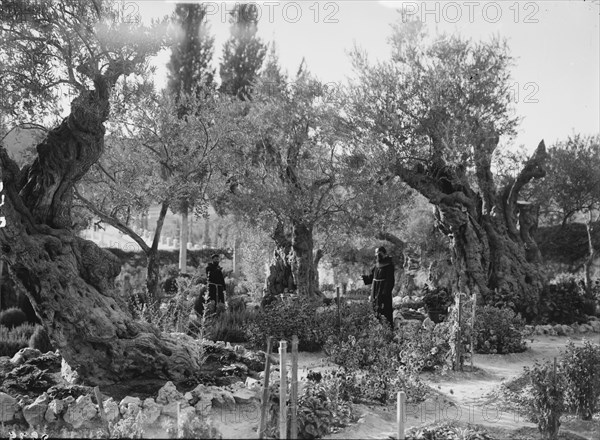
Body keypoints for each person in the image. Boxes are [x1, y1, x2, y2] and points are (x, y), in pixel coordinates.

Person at [362, 246, 395, 330]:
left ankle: (387, 329)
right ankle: (377, 329)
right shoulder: (377, 265)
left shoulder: (389, 265)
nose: (377, 255)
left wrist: (384, 293)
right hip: (375, 290)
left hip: (383, 292)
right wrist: (365, 278)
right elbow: (372, 277)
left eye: (379, 253)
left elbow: (390, 281)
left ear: (384, 254)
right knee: (375, 309)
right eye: (376, 253)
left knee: (384, 310)